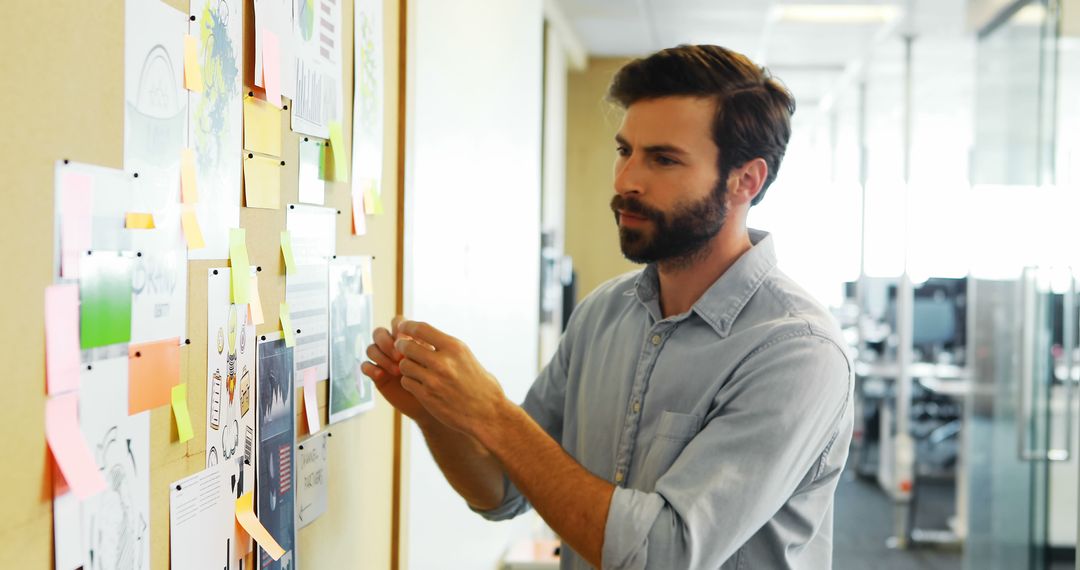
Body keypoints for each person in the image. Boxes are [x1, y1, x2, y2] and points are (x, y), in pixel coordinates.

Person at [362, 44, 853, 569]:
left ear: (745, 181)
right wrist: (439, 414)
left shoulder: (798, 353)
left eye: (663, 159)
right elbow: (502, 490)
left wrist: (495, 415)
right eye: (625, 152)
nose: (625, 182)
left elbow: (661, 555)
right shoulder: (603, 314)